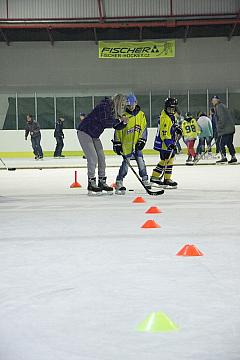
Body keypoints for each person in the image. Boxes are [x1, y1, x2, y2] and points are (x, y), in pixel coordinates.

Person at [77, 94, 128, 195]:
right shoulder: (104, 106)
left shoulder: (112, 111)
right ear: (117, 102)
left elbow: (116, 126)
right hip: (85, 132)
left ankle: (102, 181)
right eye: (122, 105)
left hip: (94, 135)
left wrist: (123, 123)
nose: (122, 108)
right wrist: (119, 120)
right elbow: (105, 121)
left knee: (101, 158)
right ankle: (91, 182)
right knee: (93, 158)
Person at [113, 94, 150, 195]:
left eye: (132, 105)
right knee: (125, 165)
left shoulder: (141, 115)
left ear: (136, 103)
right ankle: (119, 181)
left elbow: (144, 129)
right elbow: (118, 131)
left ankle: (145, 179)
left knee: (141, 162)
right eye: (128, 105)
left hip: (137, 144)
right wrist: (117, 143)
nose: (131, 107)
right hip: (126, 145)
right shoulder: (123, 115)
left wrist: (142, 140)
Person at [150, 98, 182, 189]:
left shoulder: (171, 116)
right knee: (165, 160)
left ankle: (167, 178)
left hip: (168, 142)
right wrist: (169, 144)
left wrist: (177, 128)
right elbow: (164, 133)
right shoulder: (165, 118)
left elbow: (172, 125)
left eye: (173, 109)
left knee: (169, 160)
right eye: (169, 109)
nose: (171, 111)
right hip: (164, 144)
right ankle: (155, 177)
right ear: (166, 108)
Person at [211, 95, 237, 164]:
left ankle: (223, 157)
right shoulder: (223, 106)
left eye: (214, 100)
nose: (212, 101)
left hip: (225, 129)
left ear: (217, 100)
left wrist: (219, 129)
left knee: (220, 143)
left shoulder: (218, 107)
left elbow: (221, 119)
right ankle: (233, 157)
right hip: (230, 128)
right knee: (229, 143)